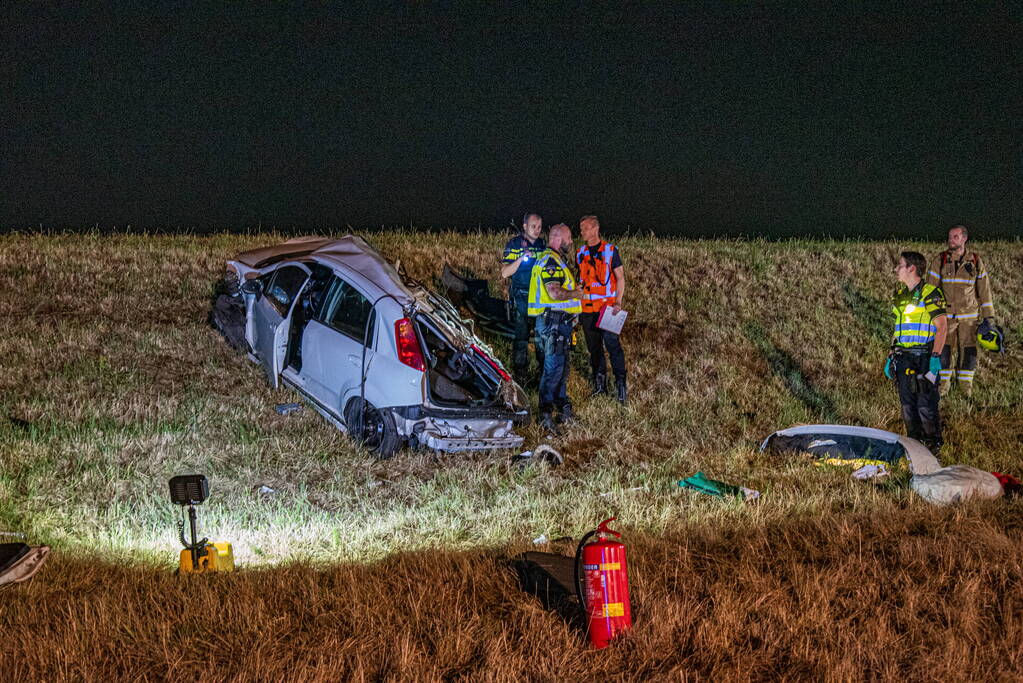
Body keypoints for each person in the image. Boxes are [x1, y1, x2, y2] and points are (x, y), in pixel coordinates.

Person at [886, 251, 948, 453]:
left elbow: (942, 327)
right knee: (907, 405)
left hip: (925, 356)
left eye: (900, 265)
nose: (896, 269)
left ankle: (933, 445)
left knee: (925, 405)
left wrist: (935, 358)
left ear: (912, 268)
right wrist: (891, 354)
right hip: (904, 356)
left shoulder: (930, 293)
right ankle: (914, 446)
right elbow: (898, 326)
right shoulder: (899, 295)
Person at [927, 225, 996, 397]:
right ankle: (943, 388)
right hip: (945, 318)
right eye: (950, 236)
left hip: (969, 319)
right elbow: (930, 289)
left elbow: (984, 291)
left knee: (969, 352)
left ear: (964, 238)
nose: (951, 240)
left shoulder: (975, 261)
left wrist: (990, 318)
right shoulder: (940, 260)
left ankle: (966, 390)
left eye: (955, 237)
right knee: (944, 351)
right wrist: (930, 314)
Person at [527, 223, 583, 432]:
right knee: (553, 370)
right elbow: (554, 293)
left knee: (560, 369)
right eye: (569, 239)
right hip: (554, 324)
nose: (571, 243)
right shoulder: (551, 261)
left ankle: (563, 410)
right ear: (558, 239)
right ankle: (545, 415)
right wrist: (577, 294)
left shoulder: (553, 259)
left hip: (556, 323)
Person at [575, 215, 627, 403]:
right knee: (594, 349)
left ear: (596, 229)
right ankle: (600, 385)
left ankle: (621, 386)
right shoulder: (580, 252)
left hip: (608, 310)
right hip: (587, 310)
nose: (582, 232)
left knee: (613, 346)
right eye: (581, 228)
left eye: (585, 228)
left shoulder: (610, 251)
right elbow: (579, 281)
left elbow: (620, 278)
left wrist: (618, 302)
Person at [501, 213, 547, 385]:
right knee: (521, 339)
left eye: (540, 227)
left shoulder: (543, 245)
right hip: (521, 299)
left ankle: (542, 373)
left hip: (540, 299)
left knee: (541, 339)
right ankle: (520, 375)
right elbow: (505, 272)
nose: (537, 230)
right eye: (533, 226)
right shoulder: (514, 245)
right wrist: (521, 258)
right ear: (525, 226)